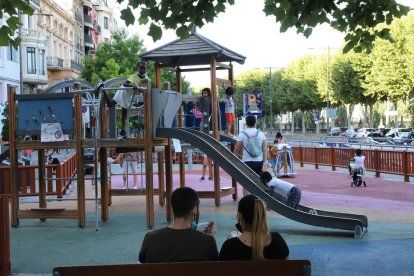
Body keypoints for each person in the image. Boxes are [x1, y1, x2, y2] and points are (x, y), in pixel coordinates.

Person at [139, 187, 218, 263]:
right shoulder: (208, 242)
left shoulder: (150, 239)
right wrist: (209, 237)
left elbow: (141, 264)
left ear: (173, 208)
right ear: (194, 210)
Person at [219, 194, 289, 260]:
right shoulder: (278, 241)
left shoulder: (230, 246)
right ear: (262, 215)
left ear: (239, 216)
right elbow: (289, 269)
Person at [100, 60, 148, 138]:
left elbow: (146, 88)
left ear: (146, 69)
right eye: (141, 68)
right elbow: (125, 84)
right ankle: (103, 89)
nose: (142, 70)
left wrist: (141, 89)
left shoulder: (146, 79)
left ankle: (123, 130)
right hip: (124, 91)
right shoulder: (134, 76)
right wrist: (133, 86)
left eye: (143, 68)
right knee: (112, 105)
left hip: (129, 94)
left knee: (123, 112)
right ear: (138, 68)